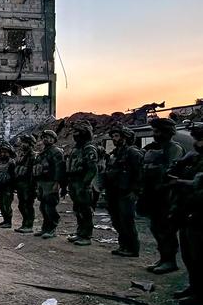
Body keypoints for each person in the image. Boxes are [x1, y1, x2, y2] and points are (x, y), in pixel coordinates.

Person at [139, 117, 184, 274]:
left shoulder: (174, 149)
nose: (154, 134)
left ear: (167, 132)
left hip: (167, 196)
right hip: (154, 194)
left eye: (157, 131)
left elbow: (171, 173)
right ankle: (163, 258)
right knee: (156, 228)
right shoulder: (156, 149)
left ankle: (169, 261)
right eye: (154, 131)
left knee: (165, 230)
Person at [168, 123, 203, 305]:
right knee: (189, 255)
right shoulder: (194, 158)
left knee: (199, 257)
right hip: (188, 212)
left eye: (200, 139)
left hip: (199, 214)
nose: (197, 143)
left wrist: (181, 182)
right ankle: (194, 289)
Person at [104, 124, 144, 257]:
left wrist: (135, 191)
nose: (114, 139)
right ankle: (123, 245)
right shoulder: (115, 154)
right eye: (113, 136)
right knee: (117, 220)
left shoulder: (133, 152)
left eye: (117, 136)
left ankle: (132, 248)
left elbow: (139, 173)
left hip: (126, 192)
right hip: (114, 191)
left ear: (125, 137)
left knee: (127, 220)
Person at [65, 121, 99, 245]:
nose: (75, 135)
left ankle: (86, 235)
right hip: (74, 182)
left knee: (85, 210)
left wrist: (86, 184)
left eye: (77, 132)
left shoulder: (89, 148)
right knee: (77, 209)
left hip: (83, 183)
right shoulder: (76, 148)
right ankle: (80, 232)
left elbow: (92, 169)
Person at [32, 130, 65, 239]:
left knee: (50, 207)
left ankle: (52, 228)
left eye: (49, 137)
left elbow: (59, 169)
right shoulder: (43, 152)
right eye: (44, 137)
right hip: (42, 183)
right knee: (43, 207)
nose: (46, 139)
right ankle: (45, 228)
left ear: (54, 139)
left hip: (51, 182)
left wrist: (57, 183)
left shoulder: (56, 152)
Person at [14, 134, 37, 233]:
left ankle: (29, 225)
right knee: (21, 205)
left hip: (28, 184)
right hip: (21, 183)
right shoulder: (21, 154)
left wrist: (33, 186)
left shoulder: (33, 156)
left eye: (25, 143)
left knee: (28, 205)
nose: (22, 144)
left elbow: (33, 173)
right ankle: (24, 223)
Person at [0, 141, 16, 228]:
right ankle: (5, 220)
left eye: (5, 152)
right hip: (0, 188)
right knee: (1, 204)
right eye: (2, 152)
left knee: (6, 205)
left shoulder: (11, 163)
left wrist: (8, 185)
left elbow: (13, 177)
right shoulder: (1, 163)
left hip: (7, 188)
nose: (3, 154)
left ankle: (8, 222)